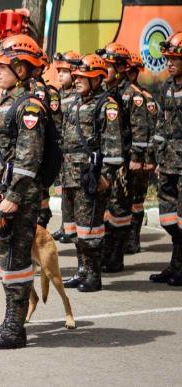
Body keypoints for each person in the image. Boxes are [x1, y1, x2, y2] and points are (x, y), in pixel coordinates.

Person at [0, 34, 46, 349]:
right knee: (5, 261)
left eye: (4, 66)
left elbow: (29, 158)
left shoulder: (29, 106)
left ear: (23, 69)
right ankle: (9, 324)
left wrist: (14, 197)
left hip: (19, 198)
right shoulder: (4, 101)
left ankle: (15, 330)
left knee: (15, 261)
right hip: (0, 193)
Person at [60, 54, 122, 293]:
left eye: (82, 77)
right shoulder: (75, 102)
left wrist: (106, 175)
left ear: (97, 79)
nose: (76, 80)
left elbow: (113, 145)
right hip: (70, 174)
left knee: (90, 229)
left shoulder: (107, 105)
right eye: (76, 76)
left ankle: (94, 276)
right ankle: (81, 270)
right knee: (75, 228)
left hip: (90, 176)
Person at [98, 43, 150, 273]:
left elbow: (140, 130)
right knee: (105, 209)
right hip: (106, 160)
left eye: (108, 66)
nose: (104, 70)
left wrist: (137, 159)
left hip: (125, 163)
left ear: (120, 68)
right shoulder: (104, 93)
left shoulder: (132, 95)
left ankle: (115, 258)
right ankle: (105, 254)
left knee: (119, 210)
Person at [151, 32, 182, 286]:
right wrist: (158, 158)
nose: (169, 63)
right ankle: (176, 264)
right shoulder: (166, 87)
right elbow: (161, 125)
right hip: (169, 162)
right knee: (169, 218)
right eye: (168, 58)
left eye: (175, 58)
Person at [124, 51, 157, 254]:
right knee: (125, 200)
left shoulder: (142, 97)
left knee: (136, 201)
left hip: (140, 157)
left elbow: (146, 129)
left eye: (129, 72)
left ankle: (133, 239)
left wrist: (145, 158)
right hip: (128, 155)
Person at [52, 51, 84, 243]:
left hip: (76, 152)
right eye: (59, 71)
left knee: (75, 193)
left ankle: (73, 230)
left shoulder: (78, 94)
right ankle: (66, 227)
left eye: (64, 71)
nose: (60, 75)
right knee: (64, 192)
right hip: (63, 150)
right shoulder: (60, 93)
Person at [30, 52, 62, 229]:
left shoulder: (41, 90)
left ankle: (41, 224)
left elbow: (53, 124)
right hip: (31, 149)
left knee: (40, 193)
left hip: (39, 150)